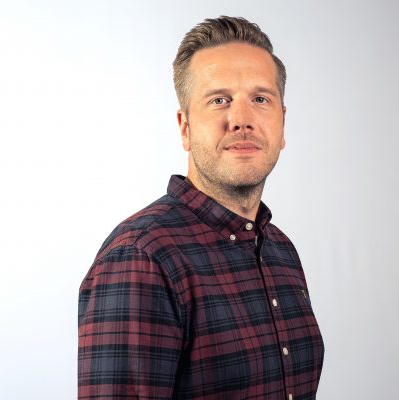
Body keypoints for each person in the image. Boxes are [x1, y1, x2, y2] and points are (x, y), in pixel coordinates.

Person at [78, 16, 324, 400]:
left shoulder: (280, 250)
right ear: (185, 128)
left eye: (260, 99)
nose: (242, 120)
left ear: (282, 123)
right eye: (219, 100)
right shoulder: (142, 258)